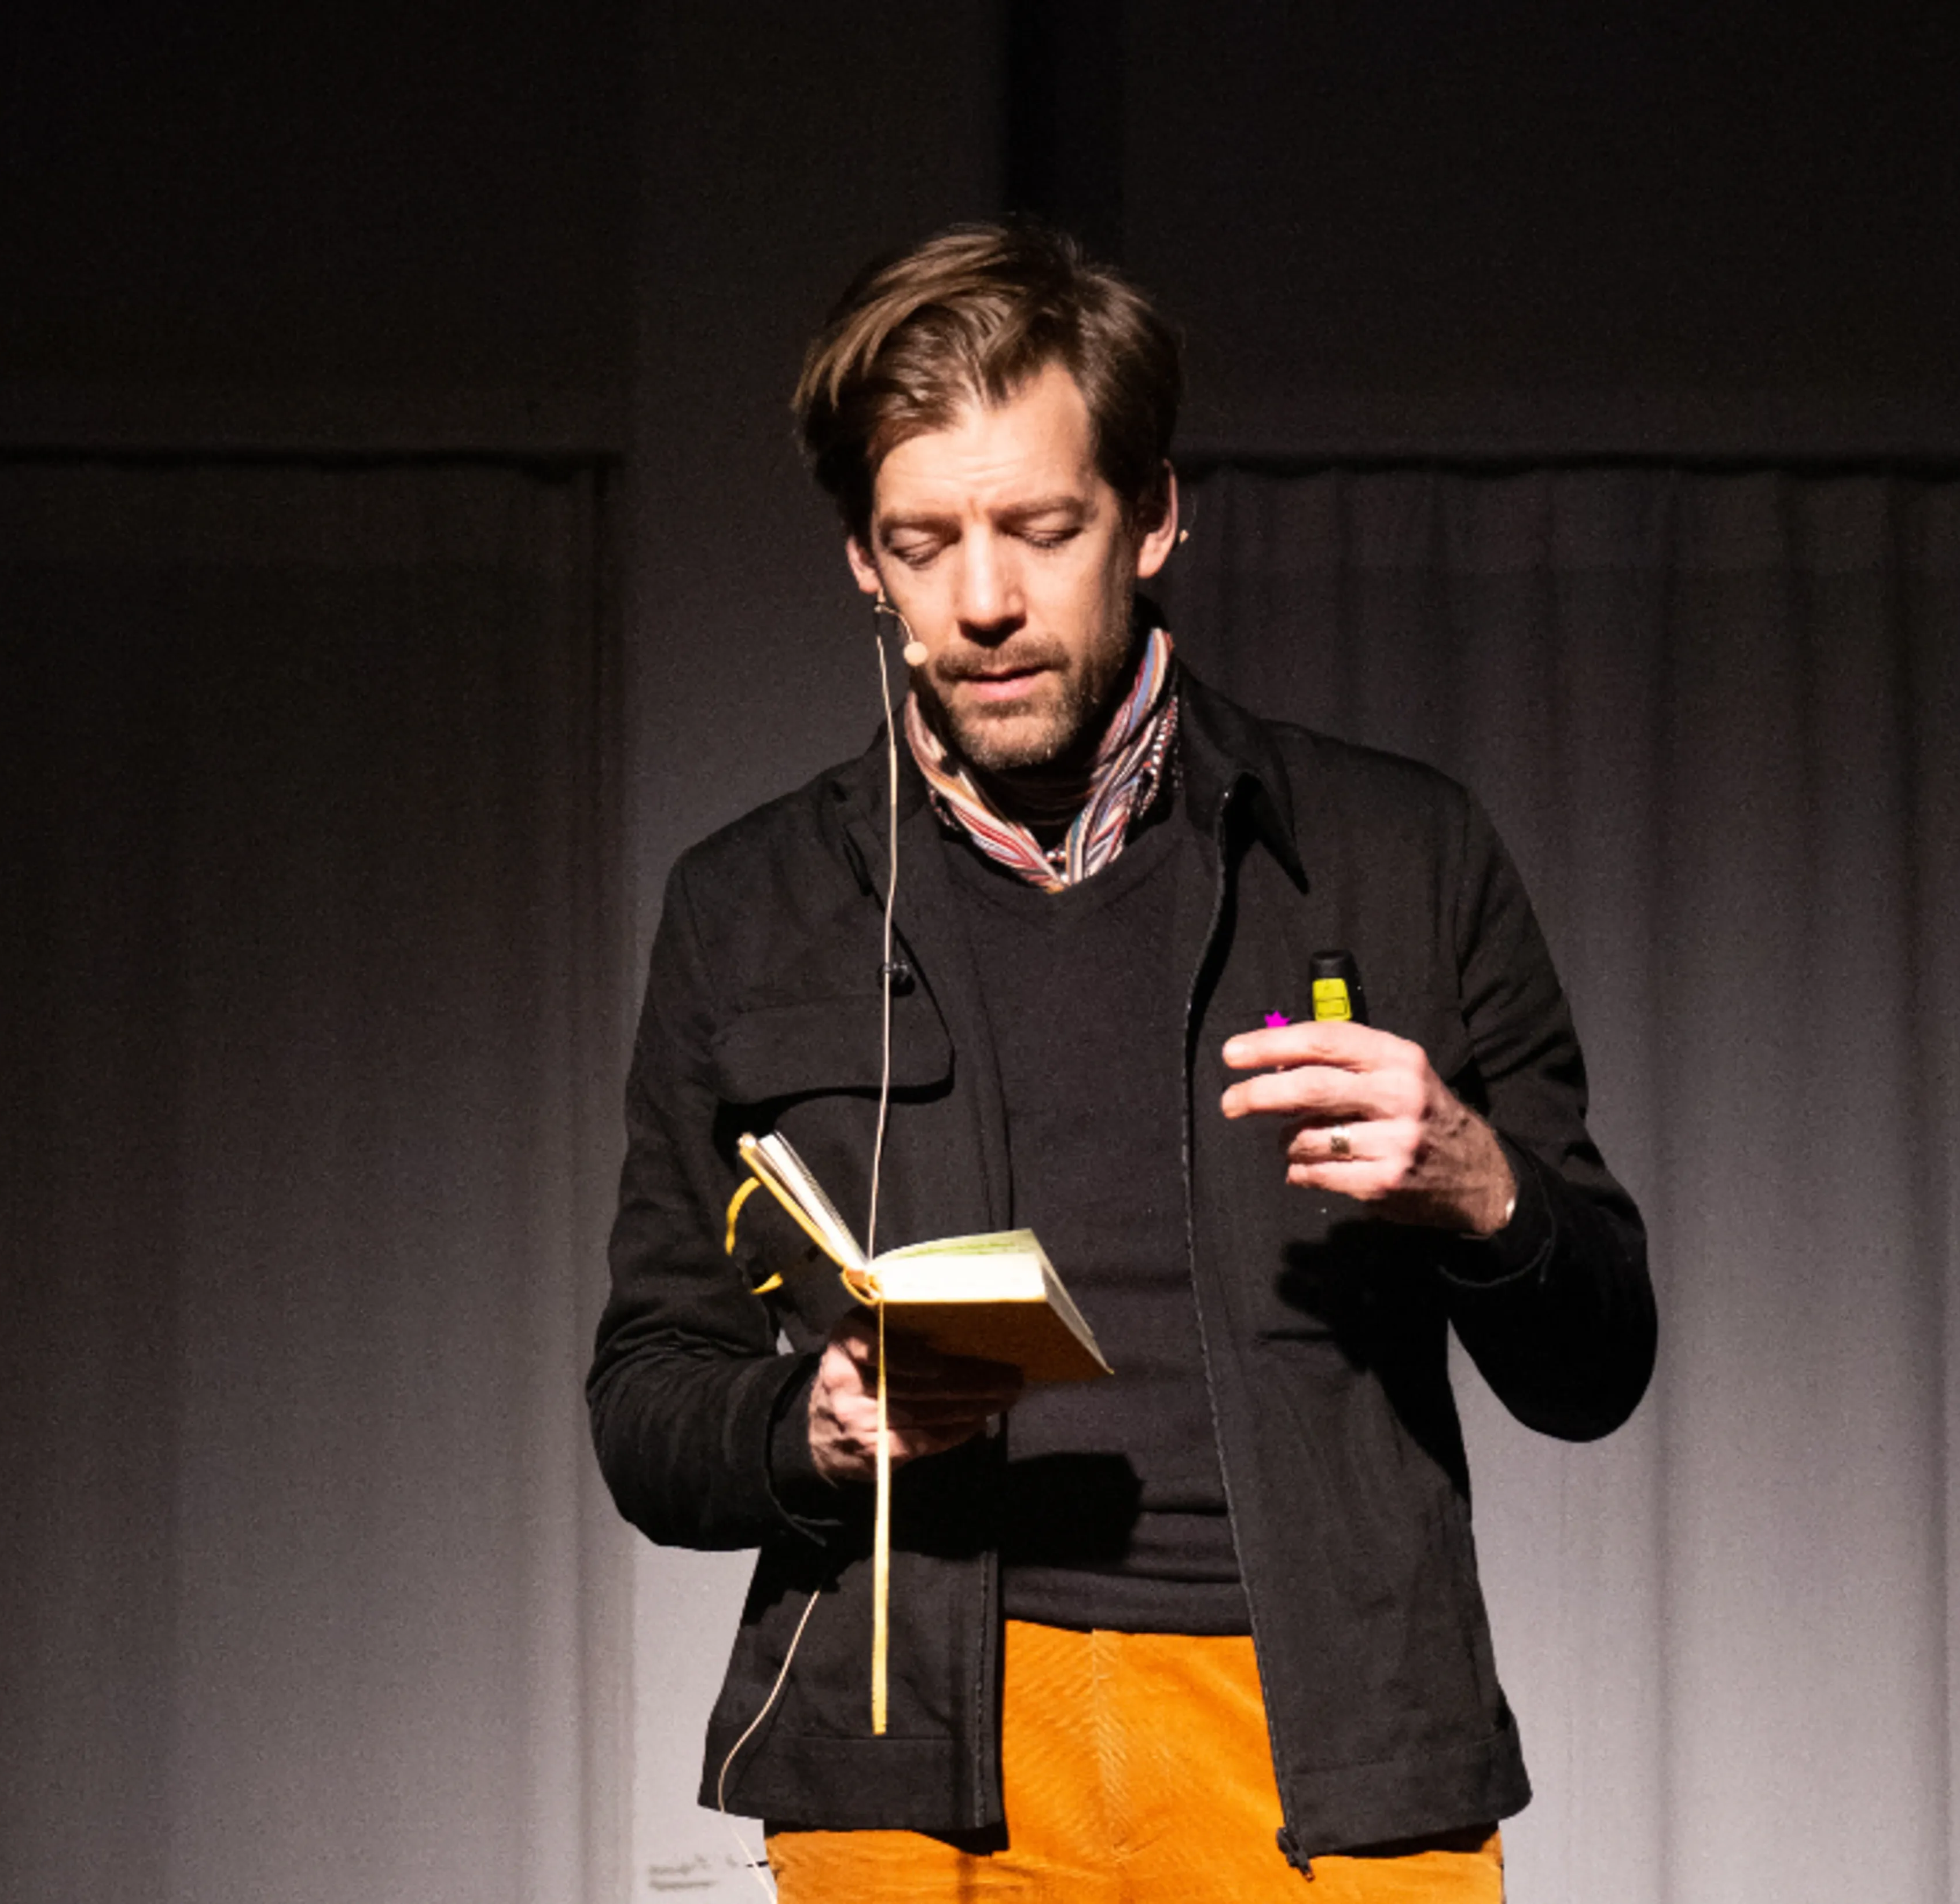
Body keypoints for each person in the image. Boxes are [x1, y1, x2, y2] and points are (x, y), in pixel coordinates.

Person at [589, 221, 1656, 1901]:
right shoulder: (750, 909)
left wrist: (1482, 1185)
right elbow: (647, 1401)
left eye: (1042, 527)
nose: (987, 598)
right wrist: (815, 1422)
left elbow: (1597, 1370)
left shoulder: (1394, 854)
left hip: (1324, 1746)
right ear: (863, 560)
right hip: (912, 1744)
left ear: (1154, 515)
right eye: (923, 542)